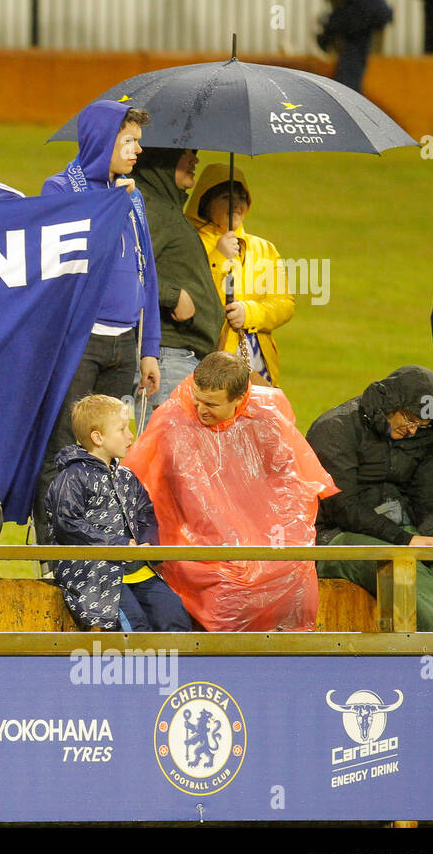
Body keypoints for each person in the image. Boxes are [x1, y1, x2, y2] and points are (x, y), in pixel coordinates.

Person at [122, 352, 335, 632]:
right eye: (197, 399)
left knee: (294, 564)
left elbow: (288, 485)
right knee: (233, 576)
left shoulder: (266, 415)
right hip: (194, 534)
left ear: (238, 398)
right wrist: (234, 543)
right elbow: (192, 500)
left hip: (255, 528)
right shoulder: (175, 421)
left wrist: (281, 536)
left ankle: (289, 644)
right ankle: (226, 652)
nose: (201, 410)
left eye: (212, 404)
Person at [33, 100, 161, 548]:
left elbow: (148, 273)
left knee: (110, 450)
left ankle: (100, 550)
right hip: (77, 342)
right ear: (103, 141)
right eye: (128, 141)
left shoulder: (132, 195)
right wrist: (109, 206)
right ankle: (55, 556)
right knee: (62, 449)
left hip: (124, 344)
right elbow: (59, 264)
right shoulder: (59, 189)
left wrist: (150, 348)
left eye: (138, 141)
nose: (137, 150)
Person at [308, 366, 433, 631]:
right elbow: (343, 507)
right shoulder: (335, 429)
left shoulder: (422, 435)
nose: (412, 430)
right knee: (409, 576)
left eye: (421, 424)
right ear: (390, 403)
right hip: (340, 535)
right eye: (409, 420)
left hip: (405, 533)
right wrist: (405, 540)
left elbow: (429, 496)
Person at [44, 395, 192, 632]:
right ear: (98, 438)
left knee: (174, 618)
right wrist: (117, 544)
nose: (130, 436)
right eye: (122, 429)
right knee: (134, 626)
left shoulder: (127, 477)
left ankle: (178, 658)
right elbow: (67, 524)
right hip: (93, 572)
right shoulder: (72, 477)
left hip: (136, 569)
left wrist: (146, 543)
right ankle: (135, 658)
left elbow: (146, 514)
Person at [185, 164, 295, 387]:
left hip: (257, 362)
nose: (236, 204)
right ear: (205, 201)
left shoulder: (264, 248)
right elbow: (193, 297)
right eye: (226, 197)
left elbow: (285, 304)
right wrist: (218, 257)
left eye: (242, 198)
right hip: (206, 358)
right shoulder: (188, 243)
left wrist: (249, 313)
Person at [131, 147, 222, 408]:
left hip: (177, 356)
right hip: (166, 356)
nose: (195, 159)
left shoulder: (165, 208)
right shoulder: (152, 209)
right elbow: (126, 268)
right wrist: (172, 296)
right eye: (186, 153)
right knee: (165, 437)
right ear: (163, 158)